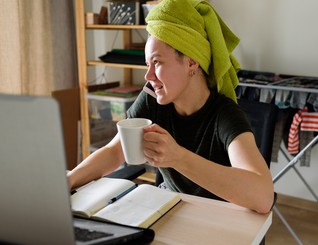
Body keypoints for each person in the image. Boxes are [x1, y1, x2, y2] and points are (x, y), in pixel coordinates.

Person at [68, 0, 274, 214]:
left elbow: (263, 196)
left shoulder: (225, 114)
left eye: (157, 63)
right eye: (148, 65)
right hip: (172, 208)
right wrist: (68, 180)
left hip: (217, 218)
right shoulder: (153, 97)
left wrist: (179, 157)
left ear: (191, 63)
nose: (148, 76)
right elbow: (114, 151)